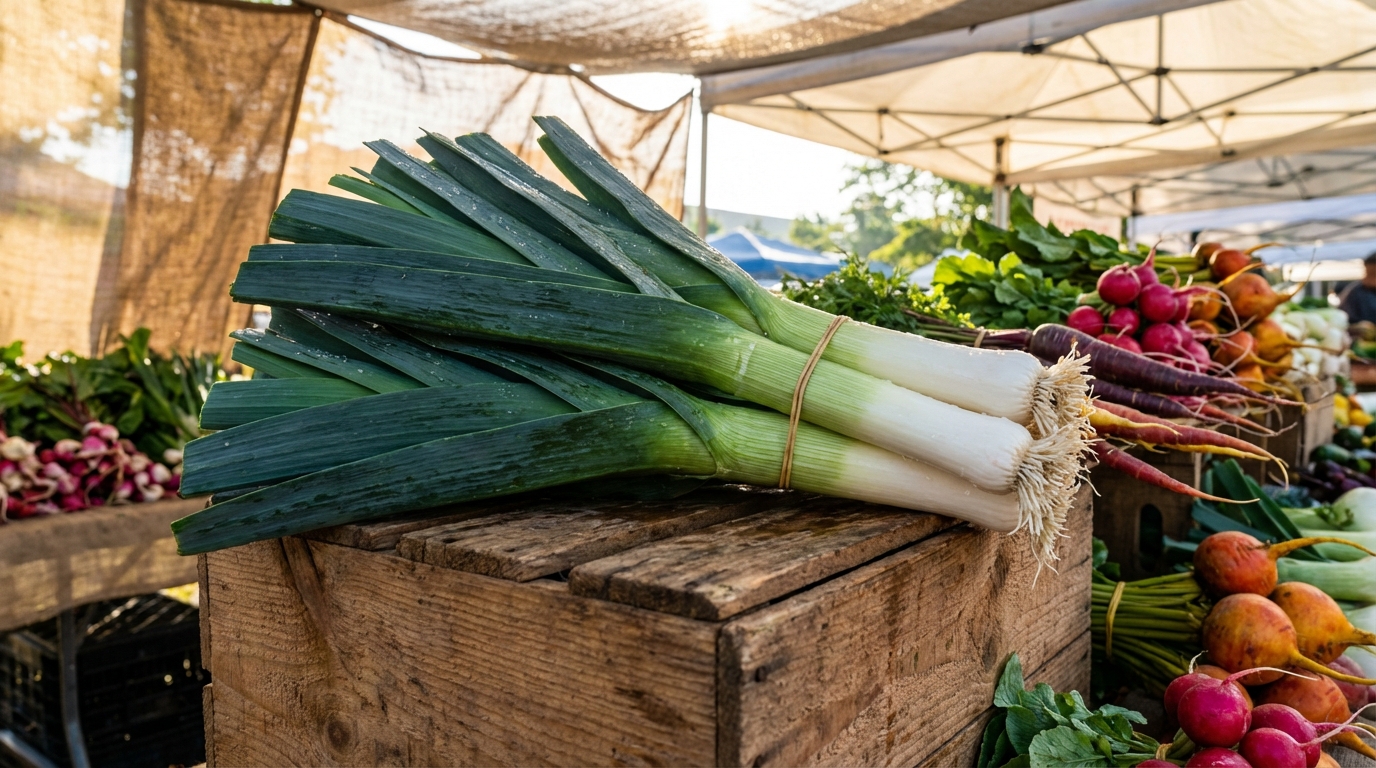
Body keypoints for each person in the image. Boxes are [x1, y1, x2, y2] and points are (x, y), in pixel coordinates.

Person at [1340, 253, 1376, 325]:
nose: (1368, 279)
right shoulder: (1355, 292)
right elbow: (1345, 319)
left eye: (1374, 274)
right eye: (1368, 273)